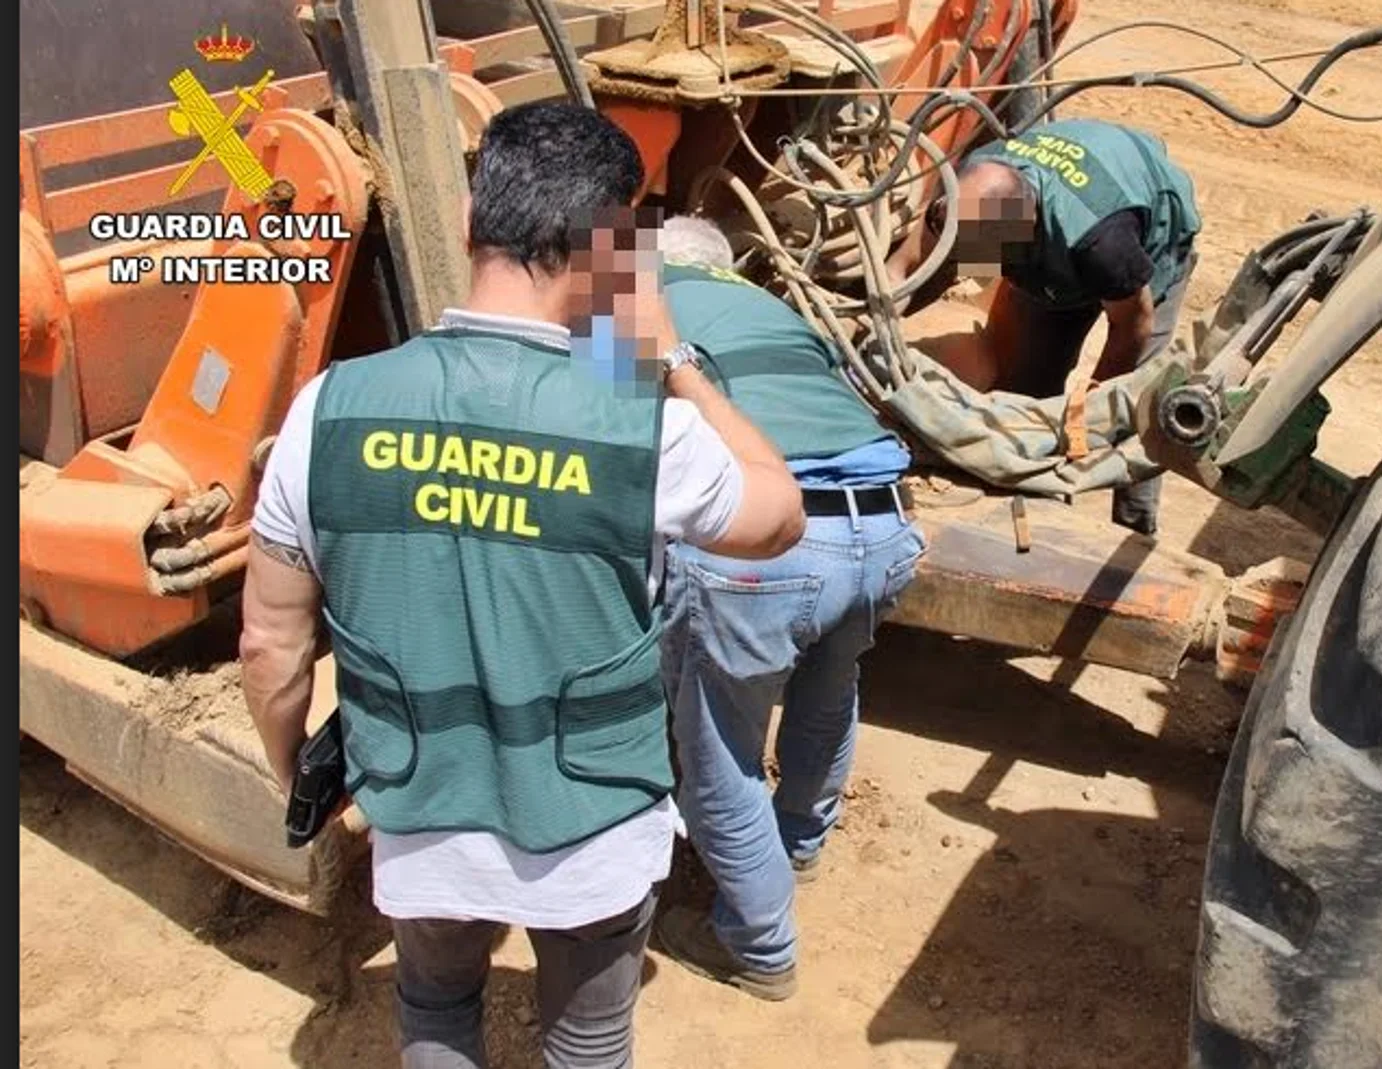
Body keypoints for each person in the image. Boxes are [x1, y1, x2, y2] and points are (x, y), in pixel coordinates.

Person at [237, 102, 805, 1068]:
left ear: (467, 219)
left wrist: (298, 773)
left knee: (434, 1003)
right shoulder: (645, 433)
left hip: (419, 805)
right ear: (611, 253)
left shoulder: (325, 410)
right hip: (592, 823)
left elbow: (270, 646)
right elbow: (779, 511)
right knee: (588, 1040)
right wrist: (669, 359)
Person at [648, 216, 926, 1002]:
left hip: (772, 544)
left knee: (715, 757)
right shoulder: (779, 310)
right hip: (883, 528)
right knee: (827, 689)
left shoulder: (632, 295)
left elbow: (597, 422)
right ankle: (799, 842)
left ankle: (758, 944)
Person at [886, 118, 1202, 536]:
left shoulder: (1102, 244)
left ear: (1018, 236)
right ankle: (1028, 513)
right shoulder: (969, 188)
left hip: (1142, 244)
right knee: (1025, 394)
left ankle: (1134, 529)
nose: (967, 265)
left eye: (978, 254)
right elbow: (907, 270)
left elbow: (1132, 328)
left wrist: (1087, 416)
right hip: (1051, 243)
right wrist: (867, 330)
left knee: (1137, 413)